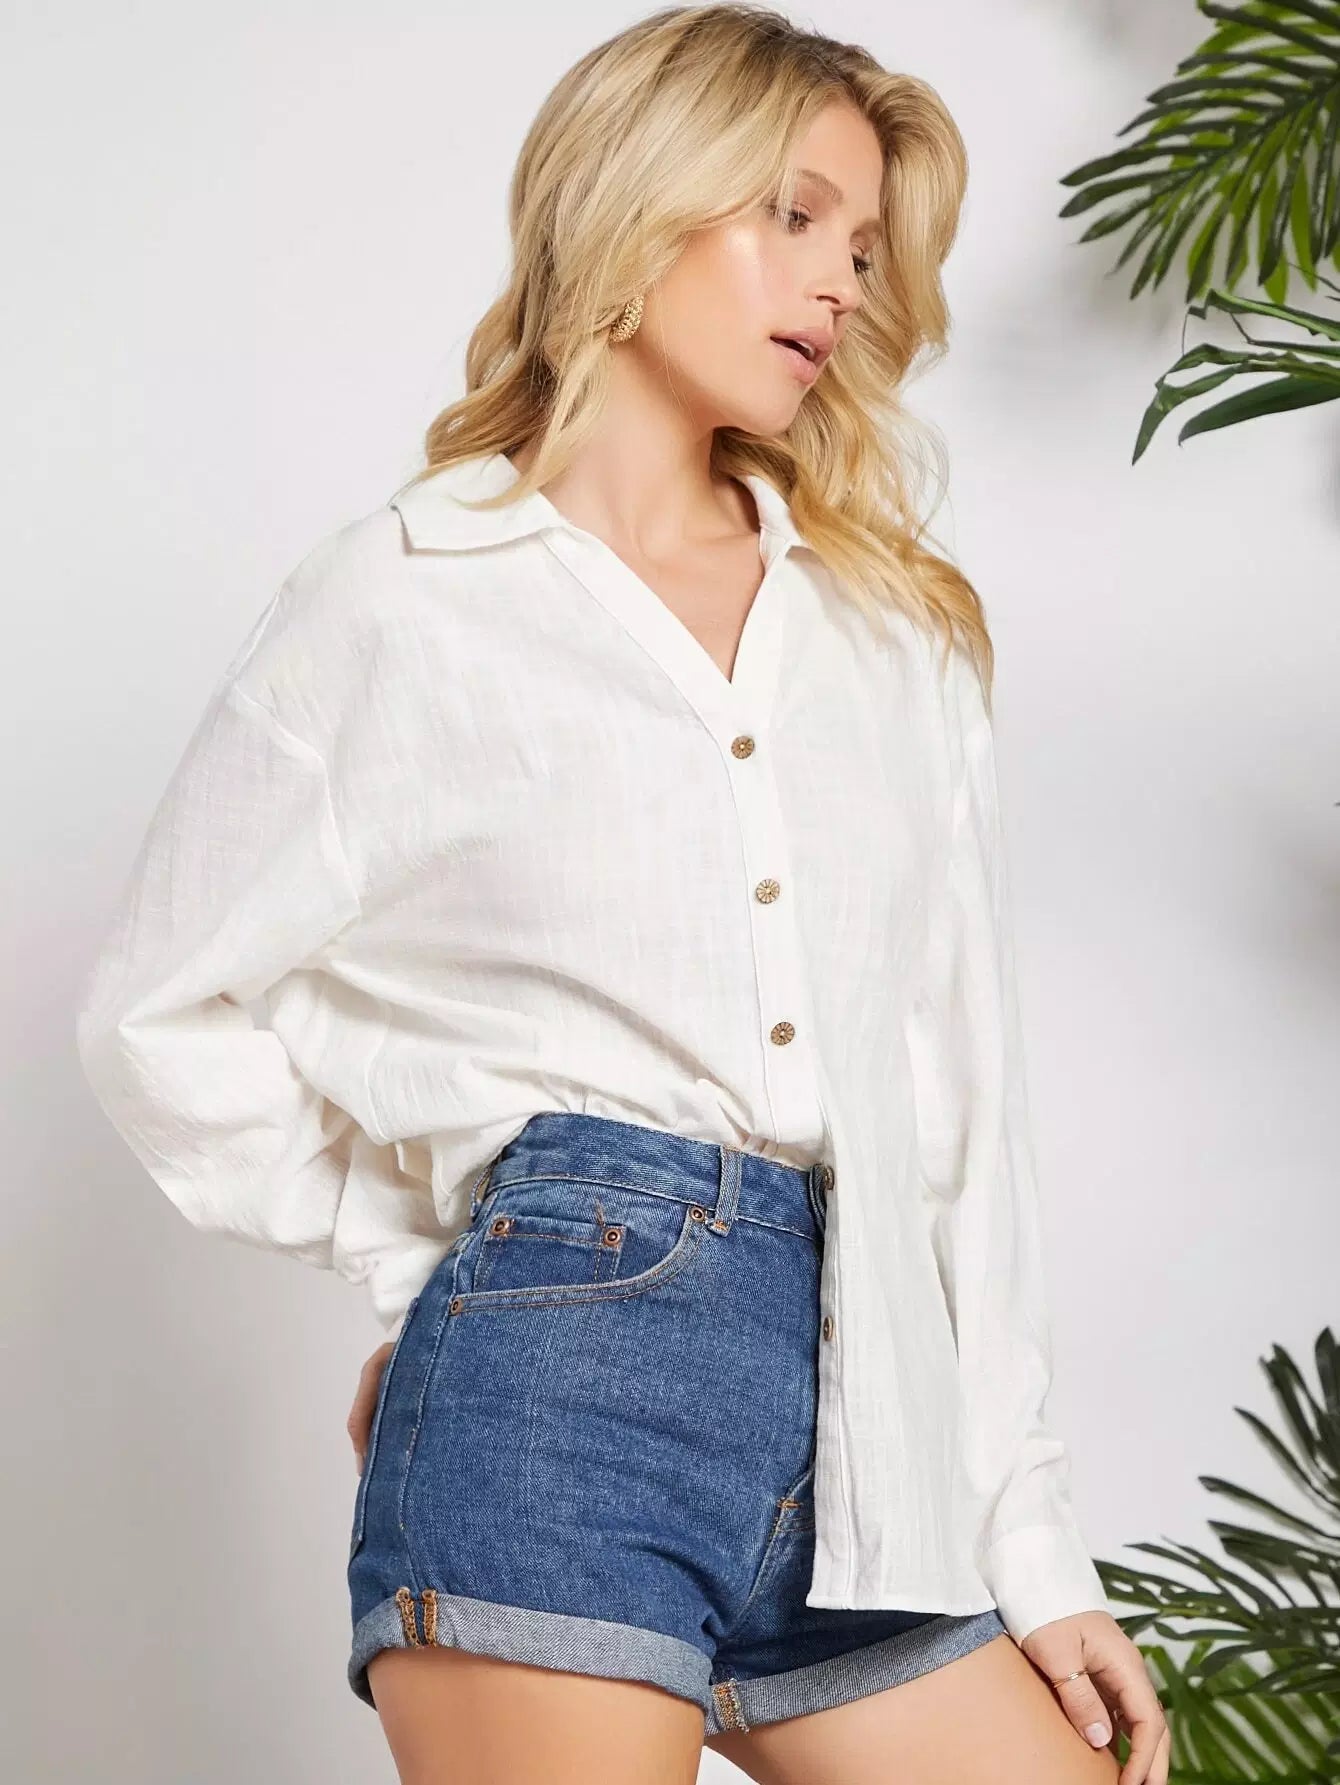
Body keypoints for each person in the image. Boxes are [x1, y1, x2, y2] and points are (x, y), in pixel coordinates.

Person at [73, 5, 1170, 1782]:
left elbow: (963, 1107)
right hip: (550, 1397)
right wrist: (443, 1257)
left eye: (865, 245)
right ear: (639, 200)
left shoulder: (890, 633)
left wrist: (1033, 1546)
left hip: (869, 1436)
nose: (841, 282)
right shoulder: (407, 598)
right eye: (793, 215)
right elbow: (154, 1013)